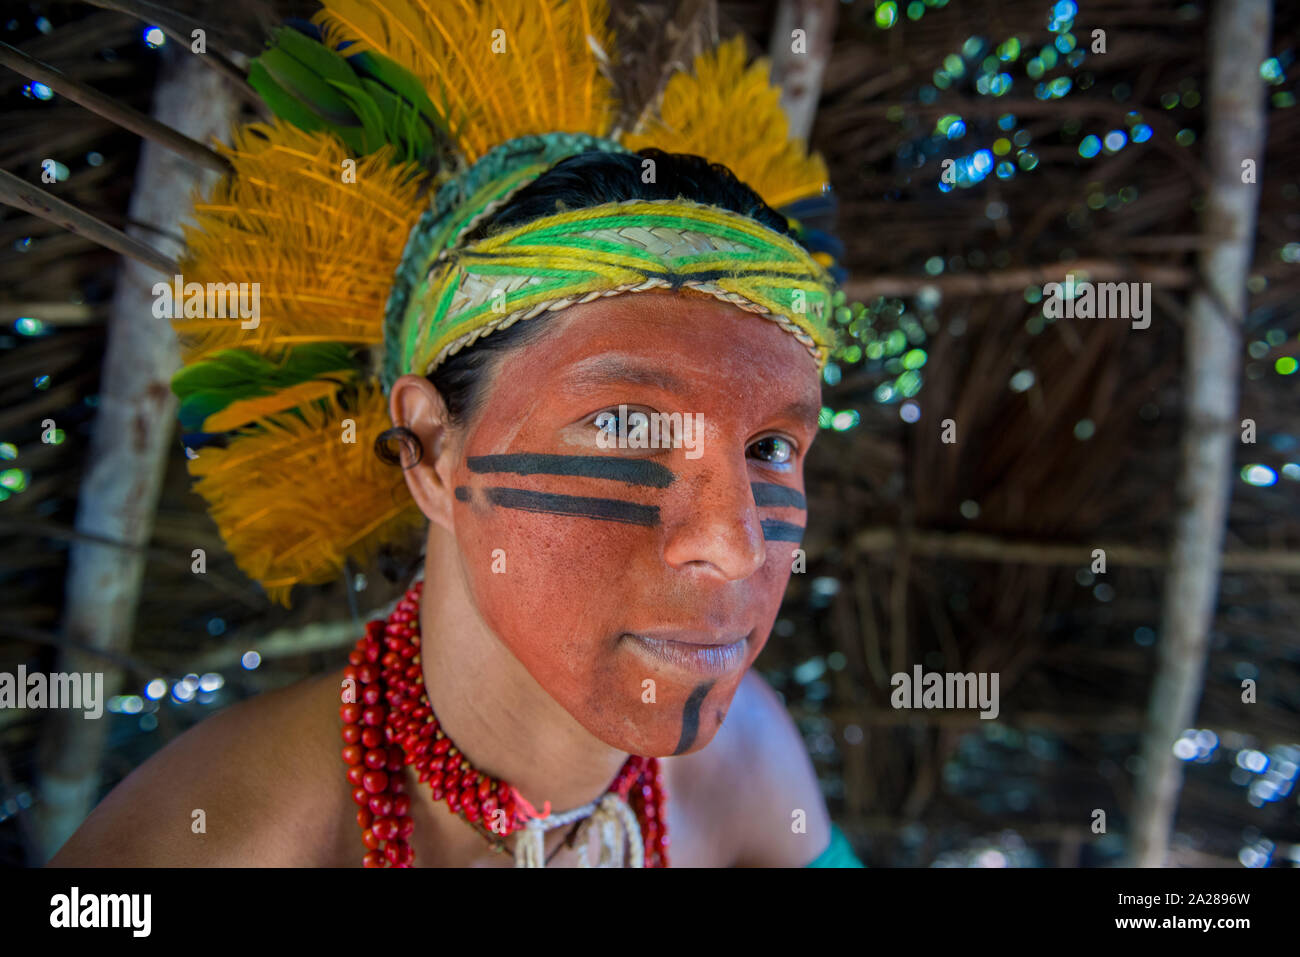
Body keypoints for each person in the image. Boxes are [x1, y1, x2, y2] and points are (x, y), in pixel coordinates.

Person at [49, 0, 865, 868]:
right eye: (625, 424)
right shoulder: (199, 847)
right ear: (431, 451)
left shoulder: (749, 766)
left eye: (771, 447)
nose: (735, 546)